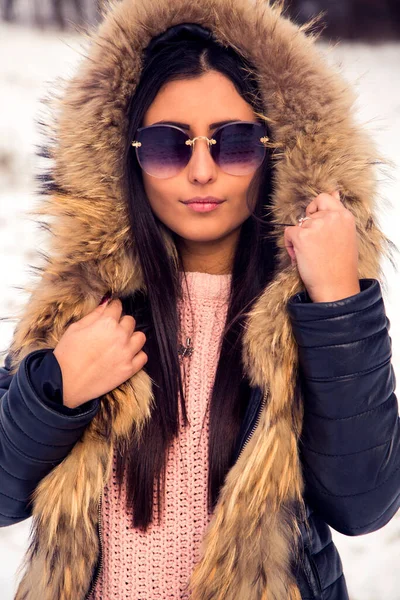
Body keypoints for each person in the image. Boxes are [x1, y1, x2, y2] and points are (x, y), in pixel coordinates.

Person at [0, 1, 399, 599]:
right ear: (126, 157)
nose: (203, 171)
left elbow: (363, 502)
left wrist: (339, 303)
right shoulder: (82, 305)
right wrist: (56, 390)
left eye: (234, 142)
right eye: (168, 145)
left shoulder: (310, 308)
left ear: (276, 151)